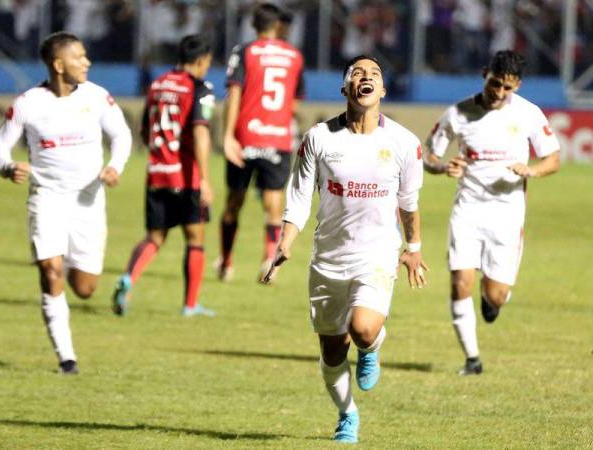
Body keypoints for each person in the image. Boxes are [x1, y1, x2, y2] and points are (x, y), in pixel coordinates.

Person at [263, 55, 428, 444]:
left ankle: (372, 346)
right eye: (357, 73)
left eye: (374, 74)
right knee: (333, 352)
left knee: (363, 327)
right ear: (345, 88)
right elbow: (300, 197)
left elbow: (408, 203)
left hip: (377, 253)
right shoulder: (320, 138)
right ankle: (347, 414)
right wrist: (285, 243)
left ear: (383, 90)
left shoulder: (403, 142)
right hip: (328, 258)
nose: (365, 77)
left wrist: (414, 248)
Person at [0, 31, 132, 374]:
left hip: (88, 201)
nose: (87, 62)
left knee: (85, 289)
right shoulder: (28, 103)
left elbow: (121, 135)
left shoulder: (97, 96)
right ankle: (67, 358)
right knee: (50, 270)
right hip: (47, 197)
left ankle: (65, 258)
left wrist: (115, 166)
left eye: (85, 56)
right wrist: (8, 167)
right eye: (78, 57)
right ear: (58, 65)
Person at [423, 50, 561, 375]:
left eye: (507, 88)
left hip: (507, 215)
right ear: (485, 74)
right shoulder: (458, 113)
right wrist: (444, 167)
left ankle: (493, 300)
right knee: (460, 283)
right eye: (495, 84)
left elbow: (553, 159)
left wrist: (531, 171)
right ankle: (472, 360)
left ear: (518, 86)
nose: (499, 93)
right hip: (467, 210)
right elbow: (427, 155)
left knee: (495, 295)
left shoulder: (529, 114)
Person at [111, 34, 216, 317]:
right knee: (195, 239)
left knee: (154, 237)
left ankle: (128, 278)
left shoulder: (157, 85)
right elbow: (200, 131)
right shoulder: (200, 88)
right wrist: (205, 179)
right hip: (186, 176)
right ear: (200, 60)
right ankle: (190, 305)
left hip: (157, 173)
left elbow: (145, 130)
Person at [217, 2, 305, 282]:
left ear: (254, 25)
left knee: (234, 202)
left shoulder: (244, 52)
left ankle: (226, 263)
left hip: (246, 136)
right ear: (278, 26)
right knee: (273, 204)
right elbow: (293, 102)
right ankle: (269, 261)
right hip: (278, 139)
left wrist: (228, 135)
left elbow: (234, 94)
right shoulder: (294, 55)